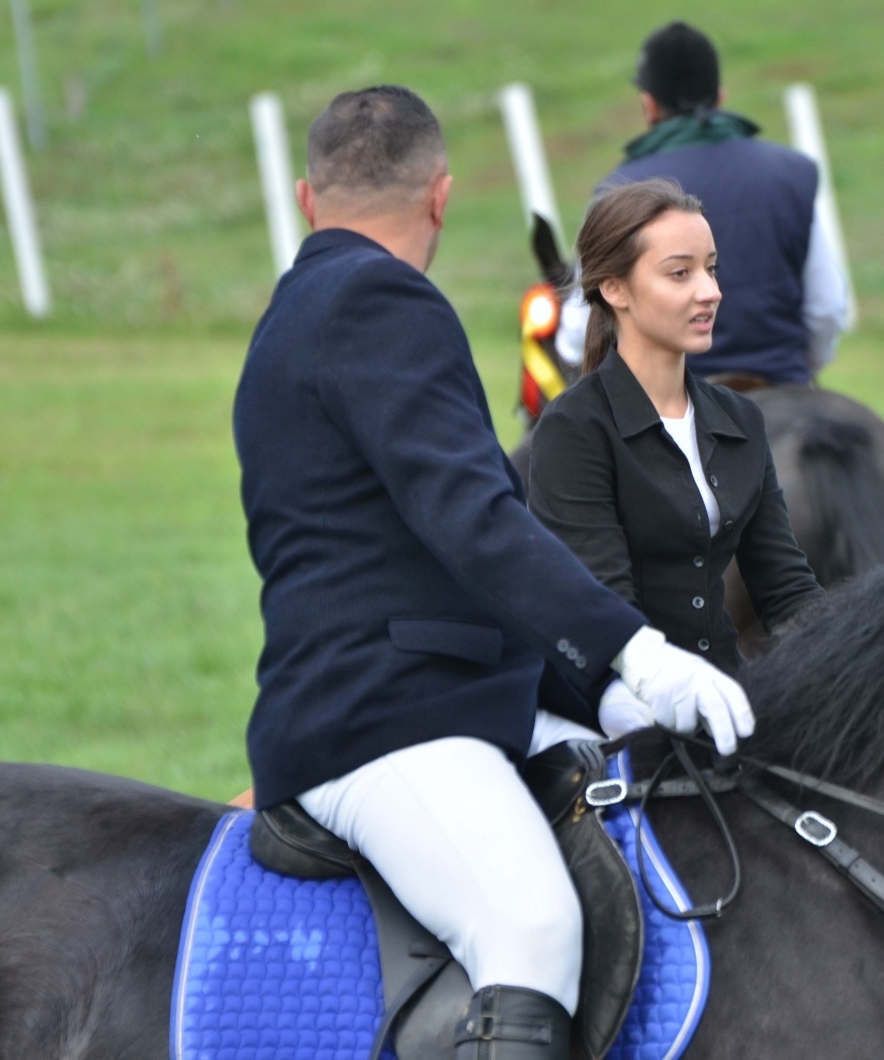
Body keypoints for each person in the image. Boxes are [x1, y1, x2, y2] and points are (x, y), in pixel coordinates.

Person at [231, 86, 755, 1060]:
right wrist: (639, 653)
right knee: (530, 926)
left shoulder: (297, 311)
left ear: (308, 197)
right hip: (381, 721)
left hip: (435, 691)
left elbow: (442, 557)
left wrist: (596, 694)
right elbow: (478, 526)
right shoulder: (378, 301)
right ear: (441, 196)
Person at [528, 179, 823, 676]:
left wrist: (868, 651)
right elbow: (604, 604)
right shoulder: (573, 429)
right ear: (615, 288)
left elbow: (785, 587)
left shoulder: (741, 418)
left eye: (710, 269)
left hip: (731, 689)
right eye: (680, 273)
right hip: (623, 706)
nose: (709, 292)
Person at [554, 21, 848, 387]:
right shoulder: (791, 174)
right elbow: (827, 308)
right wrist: (801, 375)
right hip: (784, 384)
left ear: (648, 105)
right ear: (720, 97)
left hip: (670, 400)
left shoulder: (618, 192)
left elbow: (580, 330)